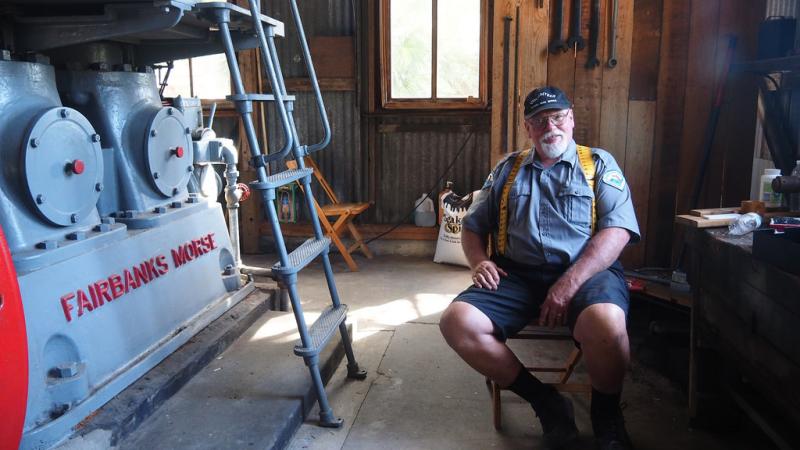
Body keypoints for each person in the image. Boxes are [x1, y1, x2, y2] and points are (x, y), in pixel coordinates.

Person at [439, 86, 640, 450]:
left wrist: (567, 285)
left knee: (608, 325)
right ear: (528, 128)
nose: (551, 126)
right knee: (457, 322)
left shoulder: (598, 164)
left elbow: (618, 230)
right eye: (539, 120)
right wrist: (479, 260)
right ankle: (546, 402)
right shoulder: (506, 169)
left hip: (586, 274)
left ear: (572, 118)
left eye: (558, 116)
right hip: (516, 275)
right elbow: (472, 226)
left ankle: (607, 418)